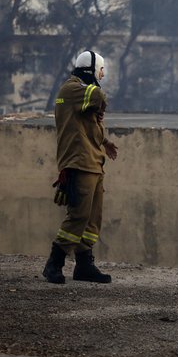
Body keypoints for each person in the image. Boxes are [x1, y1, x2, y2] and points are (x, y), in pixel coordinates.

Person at [42, 50, 119, 285]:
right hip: (79, 162)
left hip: (94, 162)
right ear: (92, 69)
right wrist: (99, 105)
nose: (103, 75)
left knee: (93, 218)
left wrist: (105, 143)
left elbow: (87, 125)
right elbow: (100, 97)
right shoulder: (72, 89)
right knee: (78, 215)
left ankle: (84, 265)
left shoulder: (80, 94)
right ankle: (54, 263)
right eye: (101, 70)